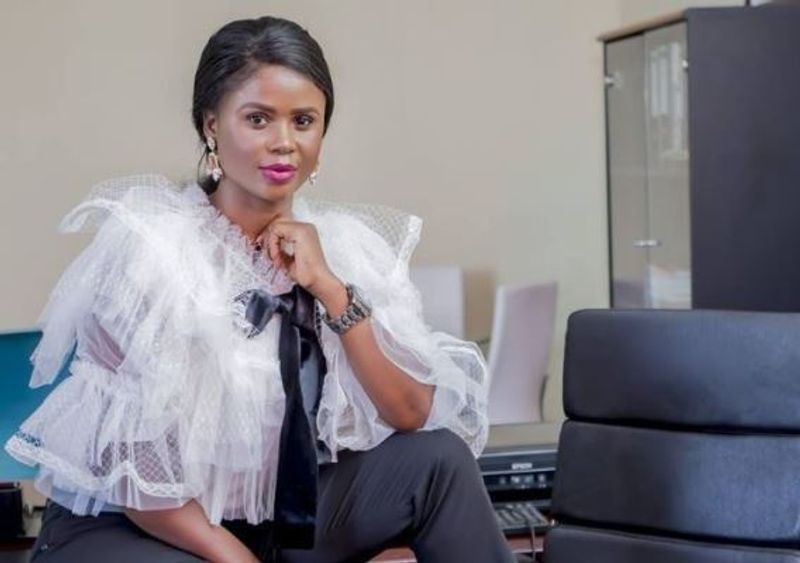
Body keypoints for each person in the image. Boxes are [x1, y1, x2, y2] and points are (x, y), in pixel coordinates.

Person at [5, 16, 515, 563]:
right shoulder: (153, 251)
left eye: (303, 121)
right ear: (211, 125)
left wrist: (330, 289)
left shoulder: (345, 248)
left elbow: (410, 413)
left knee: (439, 460)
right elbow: (138, 485)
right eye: (257, 119)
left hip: (271, 517)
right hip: (133, 524)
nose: (284, 143)